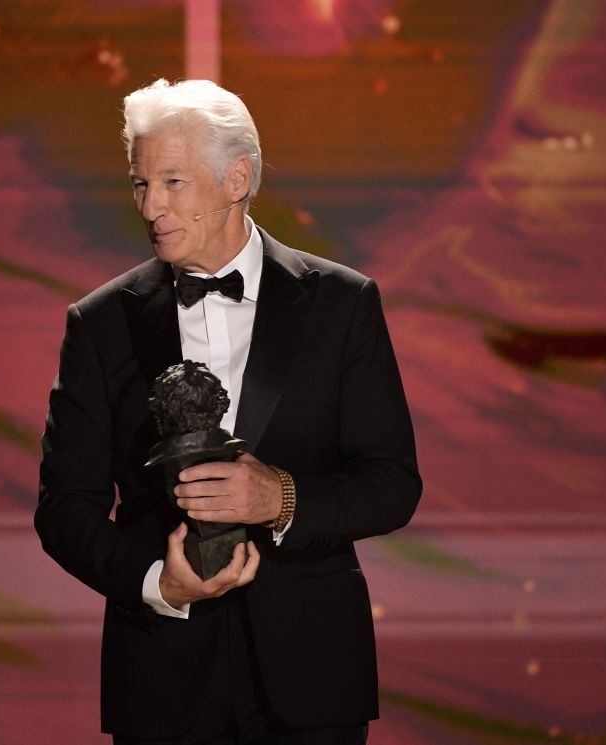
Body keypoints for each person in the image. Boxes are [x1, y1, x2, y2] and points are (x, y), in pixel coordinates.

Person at [36, 78, 421, 745]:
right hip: (160, 677)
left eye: (172, 182)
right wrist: (160, 583)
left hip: (312, 678)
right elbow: (64, 505)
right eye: (139, 184)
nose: (150, 206)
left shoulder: (342, 304)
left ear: (236, 178)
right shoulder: (100, 323)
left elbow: (392, 484)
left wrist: (282, 496)